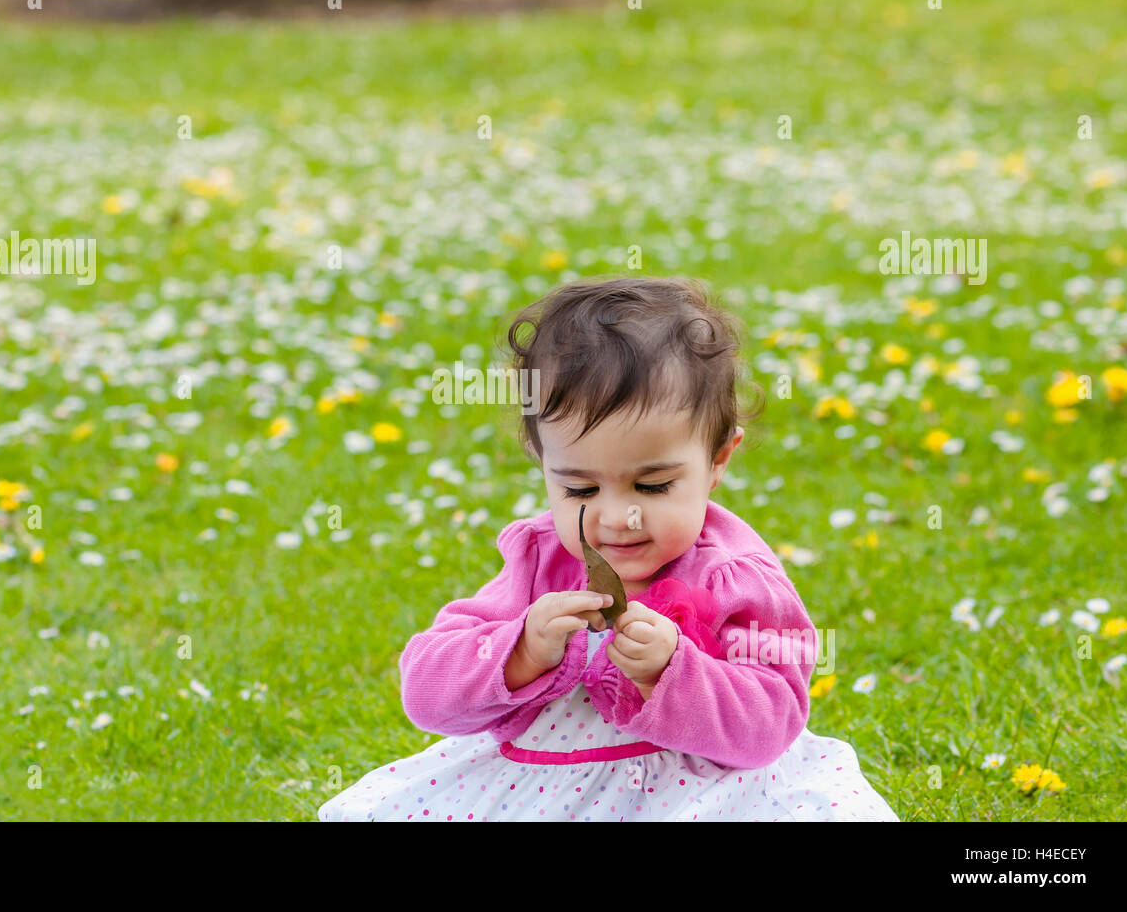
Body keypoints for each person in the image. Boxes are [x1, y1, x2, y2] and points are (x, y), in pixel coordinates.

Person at [317, 276, 900, 821]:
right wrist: (523, 649)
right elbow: (426, 691)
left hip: (694, 796)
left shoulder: (735, 576)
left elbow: (771, 722)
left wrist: (673, 673)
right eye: (580, 488)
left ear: (719, 458)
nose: (619, 517)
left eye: (653, 485)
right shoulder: (542, 559)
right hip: (541, 788)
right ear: (544, 465)